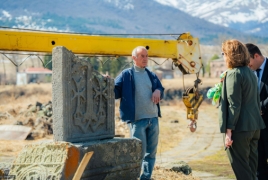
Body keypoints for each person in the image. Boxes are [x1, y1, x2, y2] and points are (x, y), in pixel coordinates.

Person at [114, 46, 164, 180]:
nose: (145, 58)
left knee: (151, 154)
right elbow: (113, 90)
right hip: (137, 121)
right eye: (142, 56)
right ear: (134, 58)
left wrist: (158, 90)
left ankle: (145, 178)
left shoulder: (151, 74)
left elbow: (160, 88)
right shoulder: (126, 74)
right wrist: (106, 81)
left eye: (146, 56)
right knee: (138, 154)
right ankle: (134, 177)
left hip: (153, 119)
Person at [218, 40, 265, 180]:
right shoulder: (251, 73)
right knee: (251, 169)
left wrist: (228, 131)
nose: (223, 56)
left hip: (240, 129)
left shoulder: (234, 74)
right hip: (254, 127)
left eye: (224, 53)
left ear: (230, 55)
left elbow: (234, 105)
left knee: (242, 170)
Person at [246, 43, 268, 180]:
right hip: (256, 128)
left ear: (256, 56)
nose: (247, 65)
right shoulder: (249, 72)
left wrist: (260, 108)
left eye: (247, 61)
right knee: (259, 166)